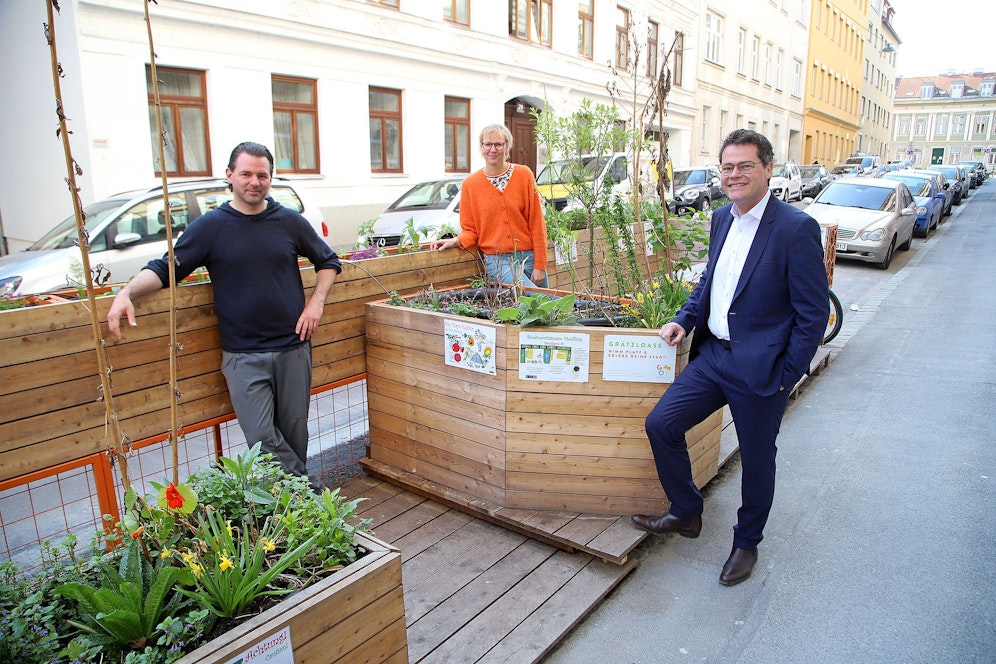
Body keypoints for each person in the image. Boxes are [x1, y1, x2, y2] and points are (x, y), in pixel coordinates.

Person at [631, 129, 828, 586]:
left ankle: (746, 542)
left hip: (762, 370)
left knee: (758, 460)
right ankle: (687, 512)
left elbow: (813, 313)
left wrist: (785, 378)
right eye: (727, 167)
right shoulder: (721, 218)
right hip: (714, 357)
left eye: (745, 166)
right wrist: (684, 317)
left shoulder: (795, 229)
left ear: (768, 171)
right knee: (661, 424)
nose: (734, 174)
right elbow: (710, 284)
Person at [106, 142, 341, 491]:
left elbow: (328, 262)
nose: (254, 181)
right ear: (229, 176)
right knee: (261, 438)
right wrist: (126, 293)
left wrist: (315, 303)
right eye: (246, 173)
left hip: (294, 347)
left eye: (262, 175)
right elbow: (167, 268)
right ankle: (310, 494)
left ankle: (296, 510)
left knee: (294, 434)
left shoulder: (289, 221)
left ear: (270, 178)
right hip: (242, 356)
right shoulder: (212, 227)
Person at [430, 124, 548, 288]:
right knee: (539, 300)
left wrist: (540, 264)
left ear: (507, 147)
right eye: (488, 144)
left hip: (530, 257)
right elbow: (471, 230)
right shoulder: (470, 185)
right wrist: (456, 241)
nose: (493, 149)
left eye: (498, 144)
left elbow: (537, 222)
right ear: (481, 147)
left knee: (548, 310)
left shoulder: (524, 175)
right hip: (499, 262)